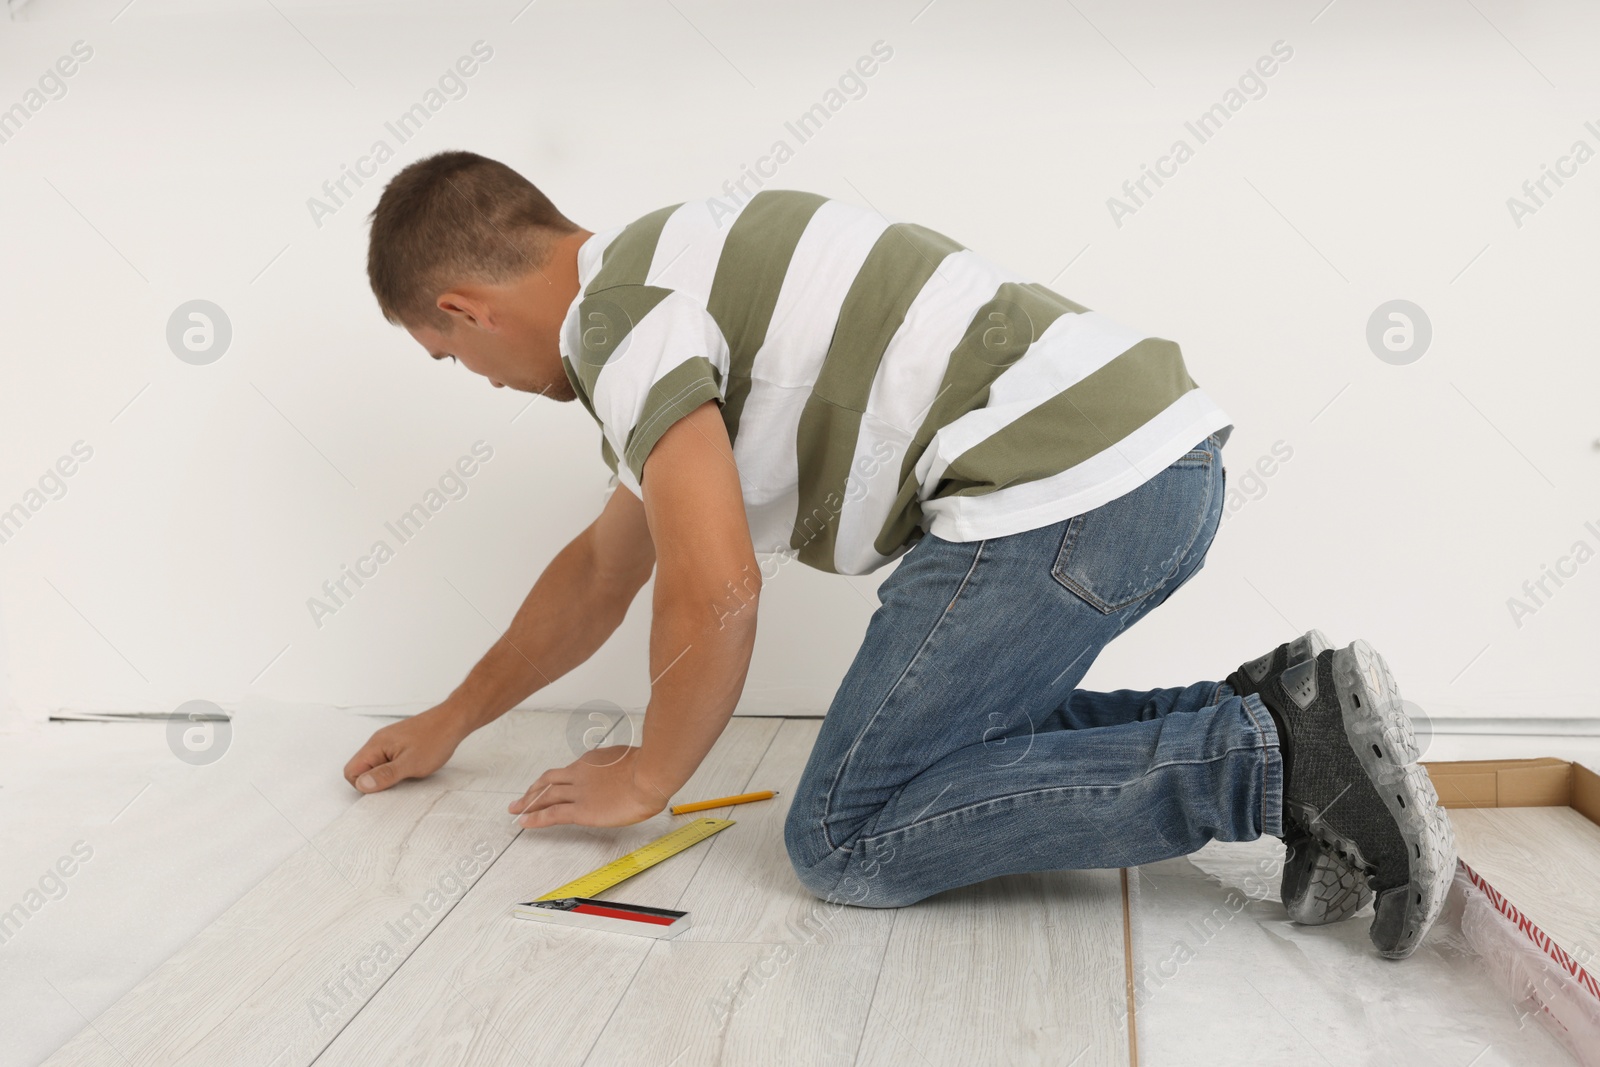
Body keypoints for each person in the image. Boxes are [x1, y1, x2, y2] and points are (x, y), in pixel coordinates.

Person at [343, 150, 1456, 960]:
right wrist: (454, 716)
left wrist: (650, 771)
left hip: (1063, 497)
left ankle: (1273, 762)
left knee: (843, 834)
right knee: (909, 764)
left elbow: (713, 582)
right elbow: (605, 568)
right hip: (1140, 471)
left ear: (464, 308)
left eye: (450, 356)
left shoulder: (623, 327)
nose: (480, 380)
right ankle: (1288, 708)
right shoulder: (663, 273)